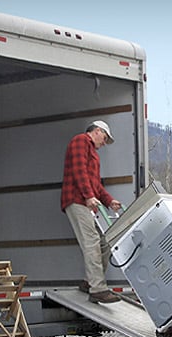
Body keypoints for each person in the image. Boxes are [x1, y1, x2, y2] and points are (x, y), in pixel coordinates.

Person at [61, 120, 122, 303]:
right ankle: (98, 289)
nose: (104, 143)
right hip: (77, 200)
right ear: (97, 131)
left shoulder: (93, 153)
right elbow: (79, 172)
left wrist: (109, 201)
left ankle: (90, 283)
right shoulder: (80, 141)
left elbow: (95, 184)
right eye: (105, 138)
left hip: (86, 202)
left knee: (104, 243)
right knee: (92, 242)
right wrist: (88, 196)